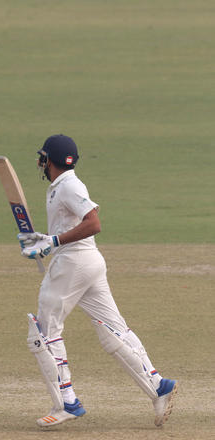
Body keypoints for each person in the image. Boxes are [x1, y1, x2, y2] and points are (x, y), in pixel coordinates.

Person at [18, 134, 177, 428]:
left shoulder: (69, 185)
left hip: (73, 263)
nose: (41, 163)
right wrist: (43, 240)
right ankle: (158, 387)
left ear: (49, 160)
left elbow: (93, 223)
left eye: (43, 158)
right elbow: (67, 227)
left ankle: (66, 402)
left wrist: (53, 242)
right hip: (86, 262)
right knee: (113, 329)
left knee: (44, 330)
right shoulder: (61, 186)